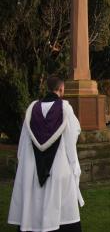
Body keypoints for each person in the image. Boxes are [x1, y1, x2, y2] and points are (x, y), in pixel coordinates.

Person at [8, 76, 84, 232]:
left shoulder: (32, 109)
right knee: (60, 207)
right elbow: (72, 136)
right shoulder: (65, 108)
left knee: (34, 201)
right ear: (61, 89)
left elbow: (23, 142)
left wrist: (23, 163)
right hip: (58, 164)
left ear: (47, 88)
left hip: (32, 165)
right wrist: (74, 165)